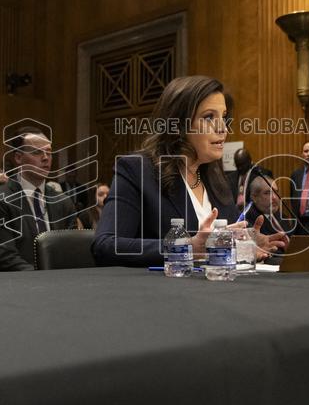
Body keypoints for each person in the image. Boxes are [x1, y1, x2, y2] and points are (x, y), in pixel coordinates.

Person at [93, 75, 287, 267]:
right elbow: (106, 245)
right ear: (178, 125)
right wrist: (186, 248)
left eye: (223, 117)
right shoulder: (137, 170)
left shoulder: (217, 180)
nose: (222, 128)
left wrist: (245, 245)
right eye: (209, 117)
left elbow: (220, 245)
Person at [0, 128, 78, 270]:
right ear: (18, 158)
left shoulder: (64, 203)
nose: (45, 158)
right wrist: (45, 279)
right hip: (17, 281)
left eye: (49, 152)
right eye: (37, 152)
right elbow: (6, 259)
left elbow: (71, 252)